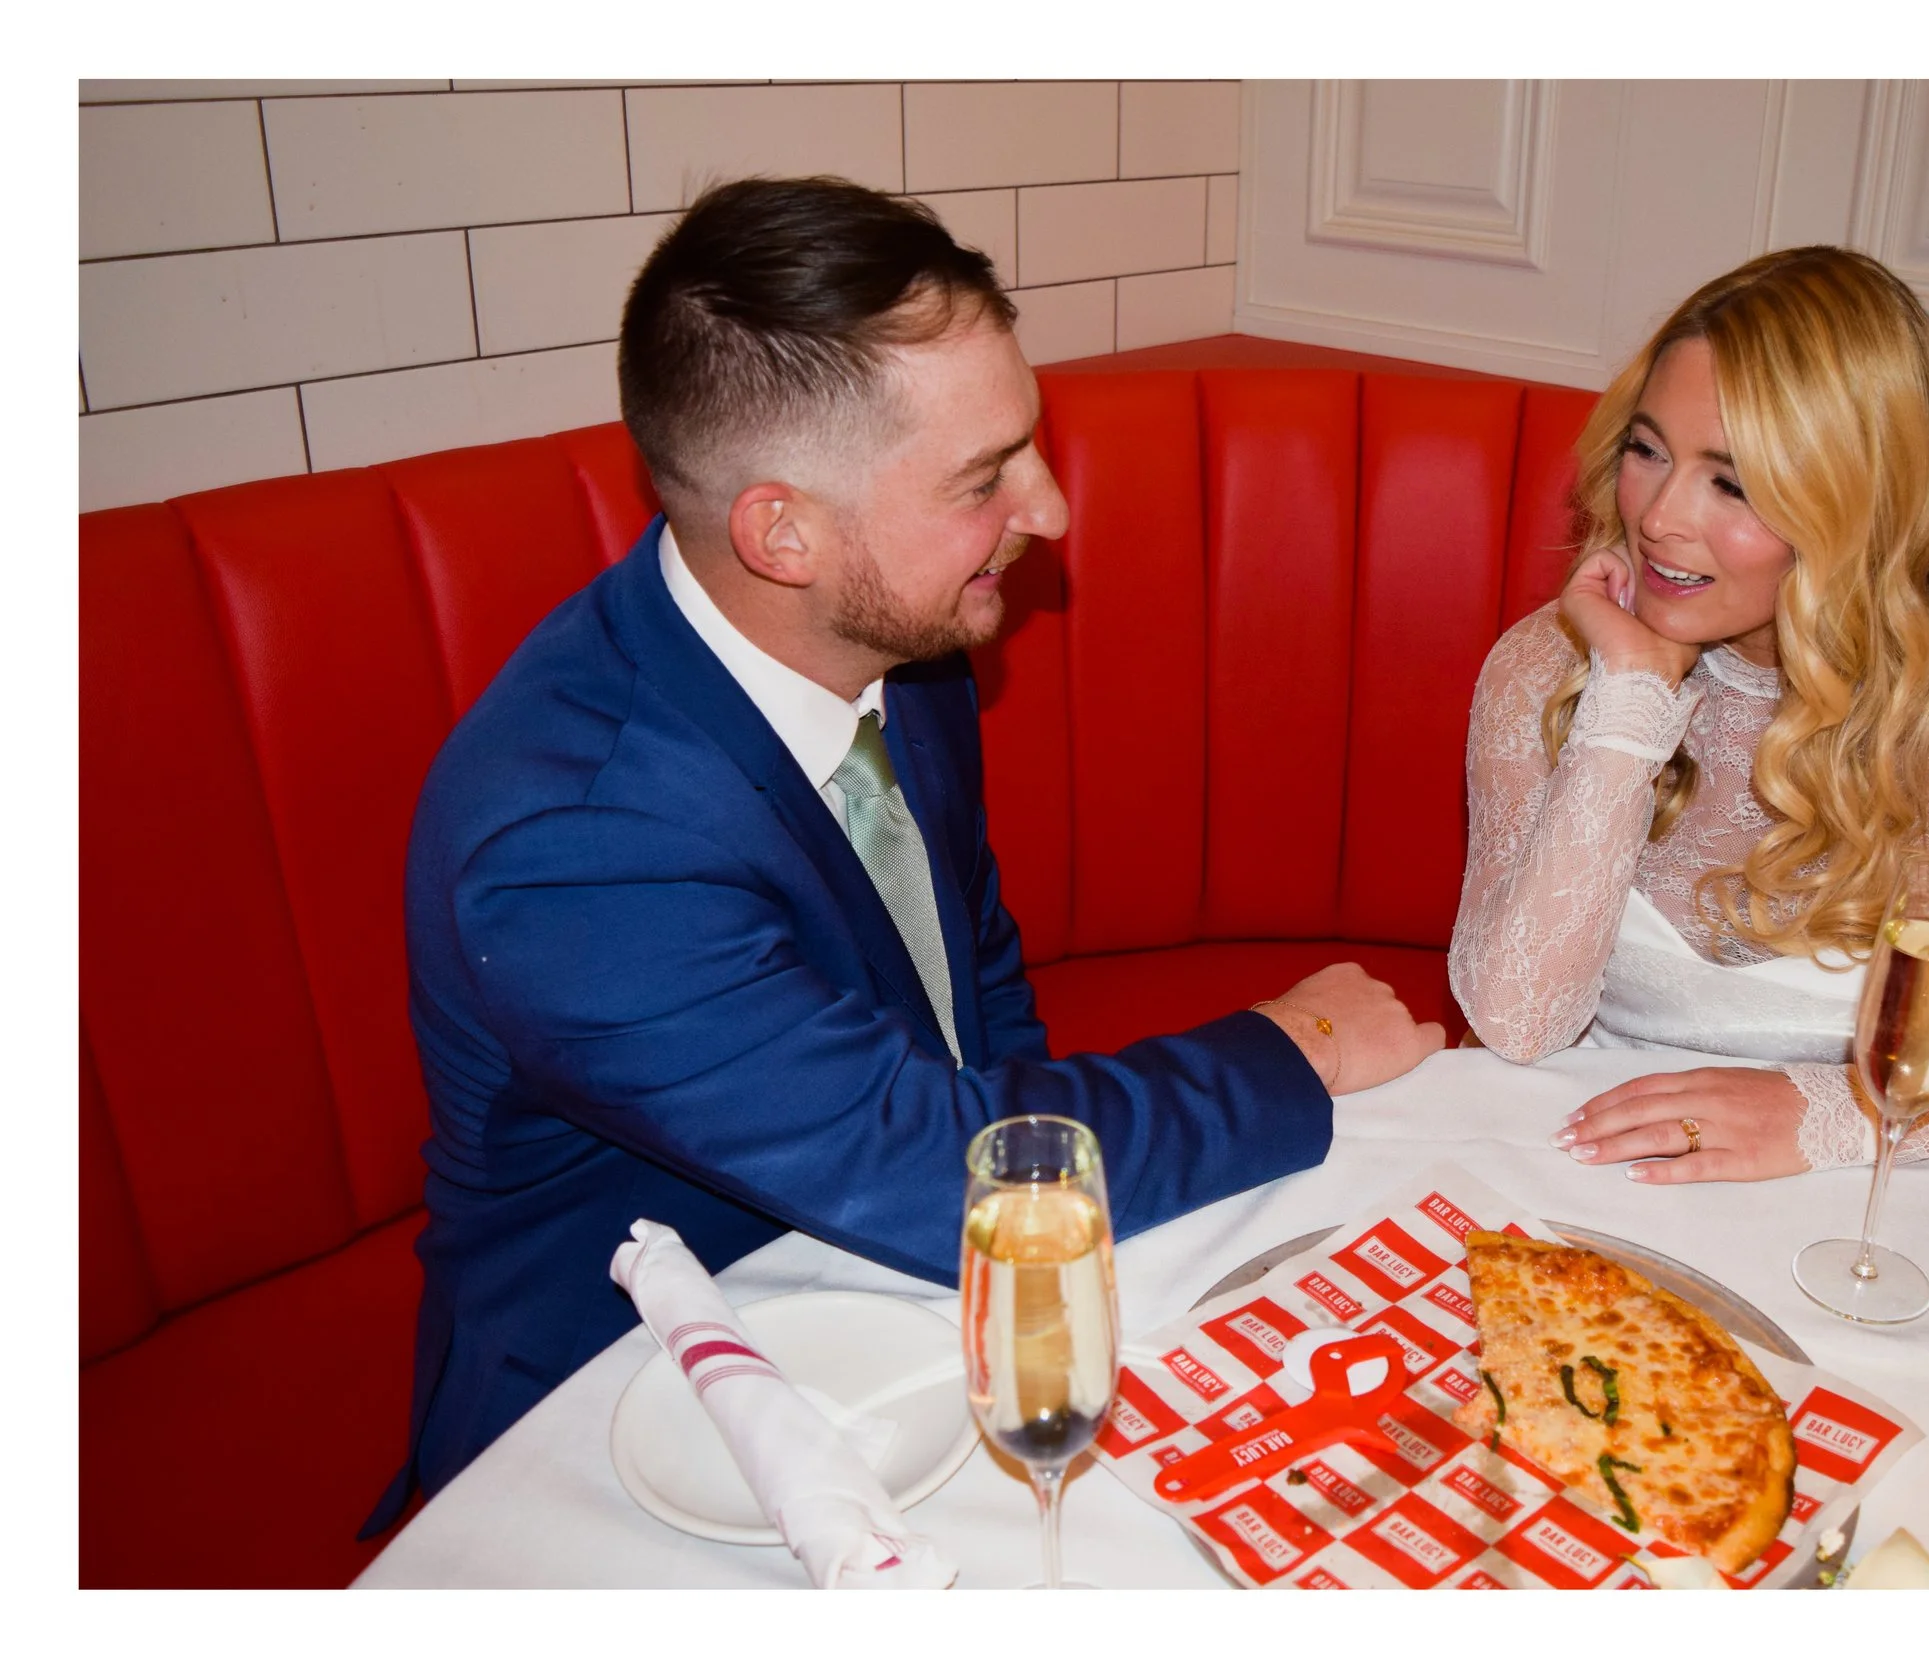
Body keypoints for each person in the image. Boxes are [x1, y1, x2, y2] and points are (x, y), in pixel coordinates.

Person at [370, 176, 1441, 1523]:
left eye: (1029, 448)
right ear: (783, 531)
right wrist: (1298, 1047)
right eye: (986, 478)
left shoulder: (898, 634)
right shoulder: (580, 849)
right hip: (640, 1402)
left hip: (893, 1289)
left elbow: (972, 988)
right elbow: (938, 1166)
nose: (1049, 509)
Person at [1449, 245, 1929, 1184]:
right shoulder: (1555, 660)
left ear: (1857, 507)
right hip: (1580, 1175)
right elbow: (1517, 1023)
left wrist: (1827, 1116)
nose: (1659, 516)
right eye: (1647, 449)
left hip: (1854, 1205)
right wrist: (1629, 701)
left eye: (1731, 483)